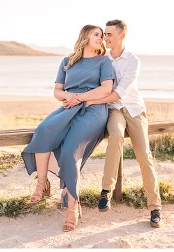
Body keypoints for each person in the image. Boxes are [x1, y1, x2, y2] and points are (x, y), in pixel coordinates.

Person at [21, 24, 115, 232]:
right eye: (96, 34)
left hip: (93, 109)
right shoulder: (67, 61)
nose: (101, 38)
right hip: (68, 106)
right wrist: (69, 97)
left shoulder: (104, 61)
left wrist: (80, 98)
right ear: (85, 37)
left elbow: (106, 89)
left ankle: (72, 207)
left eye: (102, 35)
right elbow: (57, 91)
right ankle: (42, 183)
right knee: (43, 130)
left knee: (70, 150)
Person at [85, 19, 162, 227]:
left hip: (134, 108)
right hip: (113, 110)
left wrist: (91, 100)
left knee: (144, 155)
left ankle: (155, 207)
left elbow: (118, 92)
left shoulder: (133, 60)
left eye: (109, 34)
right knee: (116, 136)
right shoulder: (102, 59)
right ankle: (106, 191)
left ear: (121, 36)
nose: (105, 38)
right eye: (104, 34)